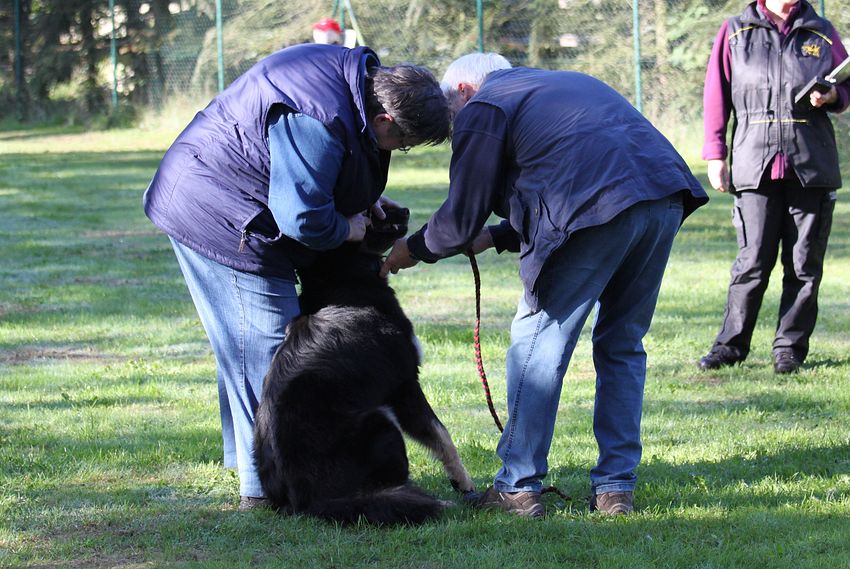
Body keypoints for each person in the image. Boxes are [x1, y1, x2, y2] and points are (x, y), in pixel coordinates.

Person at [380, 53, 708, 517]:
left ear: (463, 91)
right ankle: (616, 488)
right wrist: (497, 236)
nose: (451, 125)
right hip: (663, 198)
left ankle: (517, 486)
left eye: (449, 113)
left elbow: (459, 219)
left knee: (537, 345)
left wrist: (409, 250)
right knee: (622, 345)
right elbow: (567, 169)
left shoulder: (484, 105)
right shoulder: (562, 83)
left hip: (597, 209)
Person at [143, 43, 450, 510]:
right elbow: (302, 217)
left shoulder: (356, 88)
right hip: (218, 212)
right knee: (269, 343)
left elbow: (326, 168)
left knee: (249, 343)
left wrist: (362, 200)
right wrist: (346, 227)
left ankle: (266, 471)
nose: (399, 151)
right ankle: (266, 489)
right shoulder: (318, 117)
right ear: (386, 118)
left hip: (233, 199)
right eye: (402, 143)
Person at [698, 0, 848, 374]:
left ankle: (789, 350)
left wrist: (833, 96)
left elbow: (847, 85)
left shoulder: (822, 32)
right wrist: (715, 153)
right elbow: (717, 94)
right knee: (751, 263)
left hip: (810, 165)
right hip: (754, 165)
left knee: (804, 266)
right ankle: (729, 347)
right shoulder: (735, 31)